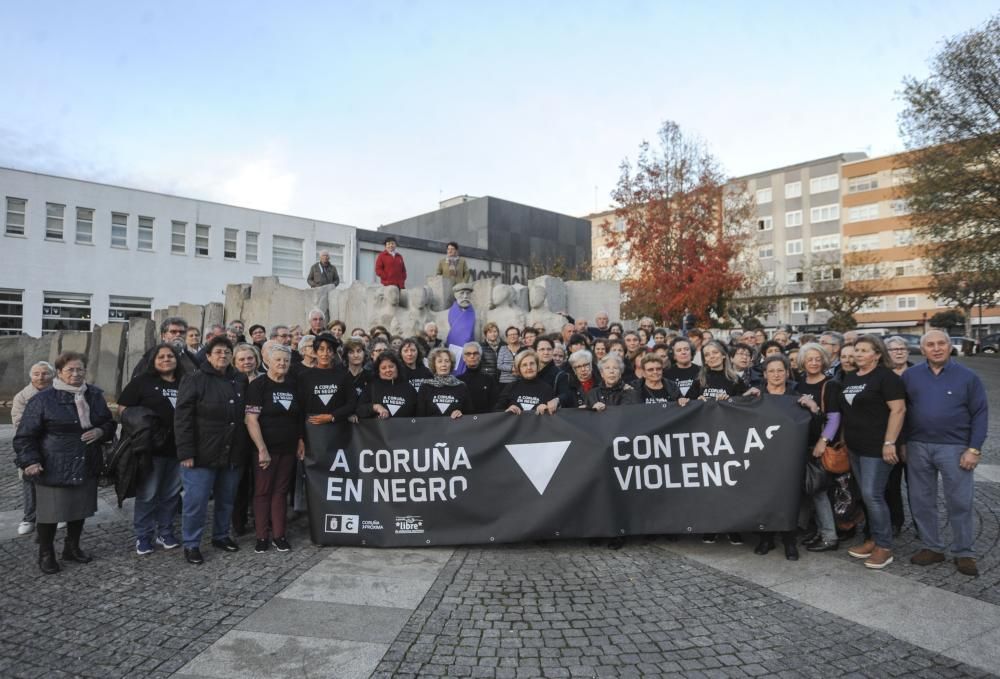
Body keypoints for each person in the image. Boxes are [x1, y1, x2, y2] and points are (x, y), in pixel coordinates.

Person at [14, 352, 116, 574]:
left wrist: (100, 431)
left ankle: (72, 547)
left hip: (86, 460)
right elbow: (25, 435)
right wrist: (30, 461)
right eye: (70, 369)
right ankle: (46, 552)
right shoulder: (42, 399)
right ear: (59, 373)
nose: (76, 373)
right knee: (49, 513)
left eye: (80, 369)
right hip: (53, 463)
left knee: (79, 509)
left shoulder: (94, 395)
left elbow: (109, 422)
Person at [902, 330, 988, 577]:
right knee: (921, 499)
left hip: (956, 448)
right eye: (930, 344)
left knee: (960, 501)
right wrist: (903, 442)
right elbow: (901, 411)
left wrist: (974, 448)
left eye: (942, 343)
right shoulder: (910, 376)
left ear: (950, 347)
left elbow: (980, 413)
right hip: (918, 445)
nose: (937, 348)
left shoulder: (968, 377)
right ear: (923, 349)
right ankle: (932, 547)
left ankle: (964, 552)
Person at [174, 336, 248, 565]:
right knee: (196, 501)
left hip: (232, 451)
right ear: (207, 355)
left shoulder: (240, 379)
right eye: (218, 352)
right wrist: (186, 452)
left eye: (227, 352)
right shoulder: (194, 379)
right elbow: (182, 418)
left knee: (226, 499)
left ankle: (221, 535)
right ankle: (192, 544)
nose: (223, 355)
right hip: (201, 453)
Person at [838, 335, 906, 570]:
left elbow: (898, 410)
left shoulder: (887, 378)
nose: (857, 354)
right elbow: (849, 412)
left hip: (877, 449)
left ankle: (884, 547)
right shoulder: (851, 377)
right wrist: (845, 440)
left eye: (864, 350)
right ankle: (874, 539)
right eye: (856, 350)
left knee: (873, 495)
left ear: (877, 354)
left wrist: (890, 443)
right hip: (856, 447)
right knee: (867, 496)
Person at [119, 343, 185, 555]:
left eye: (170, 356)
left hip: (179, 449)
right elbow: (124, 411)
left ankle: (165, 531)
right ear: (153, 361)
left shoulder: (186, 382)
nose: (166, 359)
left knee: (172, 495)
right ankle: (143, 535)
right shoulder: (142, 383)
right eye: (161, 357)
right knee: (148, 494)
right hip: (151, 450)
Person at [244, 344, 304, 554]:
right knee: (262, 492)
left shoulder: (292, 384)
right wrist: (262, 448)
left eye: (286, 361)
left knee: (281, 492)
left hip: (288, 448)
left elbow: (298, 417)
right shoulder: (258, 385)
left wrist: (300, 441)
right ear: (268, 361)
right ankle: (262, 536)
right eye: (278, 360)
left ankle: (279, 535)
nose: (282, 364)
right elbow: (251, 419)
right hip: (264, 449)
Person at [749, 354, 810, 559]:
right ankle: (765, 538)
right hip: (762, 455)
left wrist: (813, 408)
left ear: (787, 373)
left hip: (788, 456)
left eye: (780, 371)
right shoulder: (757, 396)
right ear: (765, 374)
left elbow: (811, 426)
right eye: (771, 371)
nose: (776, 375)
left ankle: (789, 540)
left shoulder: (796, 396)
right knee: (764, 496)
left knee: (788, 498)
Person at [795, 343, 843, 553]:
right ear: (802, 362)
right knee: (807, 489)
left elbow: (835, 418)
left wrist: (823, 441)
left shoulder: (830, 385)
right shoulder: (797, 384)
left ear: (824, 360)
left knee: (819, 491)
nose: (813, 363)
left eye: (817, 359)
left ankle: (829, 536)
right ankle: (813, 530)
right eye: (809, 359)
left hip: (818, 445)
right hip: (799, 443)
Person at [11, 361, 55, 536]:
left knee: (56, 482)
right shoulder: (22, 397)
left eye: (45, 373)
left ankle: (57, 515)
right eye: (36, 374)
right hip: (30, 445)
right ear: (31, 376)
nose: (41, 377)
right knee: (30, 482)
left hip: (55, 447)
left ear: (52, 376)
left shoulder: (60, 393)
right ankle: (29, 517)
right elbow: (19, 423)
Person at [230, 343, 261, 537]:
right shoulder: (231, 382)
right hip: (238, 438)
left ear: (256, 360)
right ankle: (238, 522)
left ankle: (260, 518)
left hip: (261, 437)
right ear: (234, 362)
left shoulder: (265, 380)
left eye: (250, 358)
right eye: (241, 359)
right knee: (239, 483)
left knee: (260, 482)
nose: (246, 362)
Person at [495, 350, 559, 415]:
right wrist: (507, 410)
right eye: (524, 365)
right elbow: (496, 410)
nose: (529, 367)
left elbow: (553, 415)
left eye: (532, 363)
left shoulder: (547, 388)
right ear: (519, 369)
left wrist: (547, 410)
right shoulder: (510, 387)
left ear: (537, 366)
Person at [356, 353, 419, 419]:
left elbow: (417, 414)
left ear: (397, 367)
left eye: (391, 366)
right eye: (383, 368)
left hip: (405, 428)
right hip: (378, 428)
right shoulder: (371, 386)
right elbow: (359, 410)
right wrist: (375, 407)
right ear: (378, 371)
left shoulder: (409, 388)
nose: (388, 370)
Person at [133, 316, 198, 378]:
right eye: (173, 332)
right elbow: (138, 384)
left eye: (182, 332)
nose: (178, 335)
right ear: (163, 336)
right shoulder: (151, 356)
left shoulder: (191, 358)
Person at [417, 348, 472, 418]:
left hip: (454, 428)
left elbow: (470, 414)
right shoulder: (425, 386)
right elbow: (419, 416)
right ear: (434, 365)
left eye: (447, 361)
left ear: (451, 364)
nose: (444, 364)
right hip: (431, 428)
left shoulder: (461, 386)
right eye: (439, 361)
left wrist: (461, 413)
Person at [457, 342, 501, 414]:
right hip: (463, 421)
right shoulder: (457, 380)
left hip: (485, 421)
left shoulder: (489, 379)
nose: (472, 356)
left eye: (475, 353)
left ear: (480, 357)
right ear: (464, 358)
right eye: (468, 354)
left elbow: (495, 404)